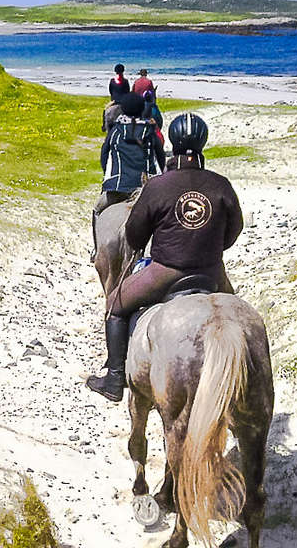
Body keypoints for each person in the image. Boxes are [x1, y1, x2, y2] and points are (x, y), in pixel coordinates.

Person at [85, 112, 242, 402]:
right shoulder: (221, 184)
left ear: (173, 142)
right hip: (212, 272)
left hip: (165, 272)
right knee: (239, 314)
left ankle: (115, 379)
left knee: (115, 305)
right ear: (203, 143)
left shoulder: (158, 185)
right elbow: (234, 231)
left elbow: (134, 235)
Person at [91, 92, 165, 250]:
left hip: (118, 187)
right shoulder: (150, 132)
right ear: (141, 109)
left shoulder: (115, 132)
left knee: (97, 210)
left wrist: (108, 177)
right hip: (146, 188)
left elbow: (104, 156)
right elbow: (160, 157)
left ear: (123, 110)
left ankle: (96, 249)